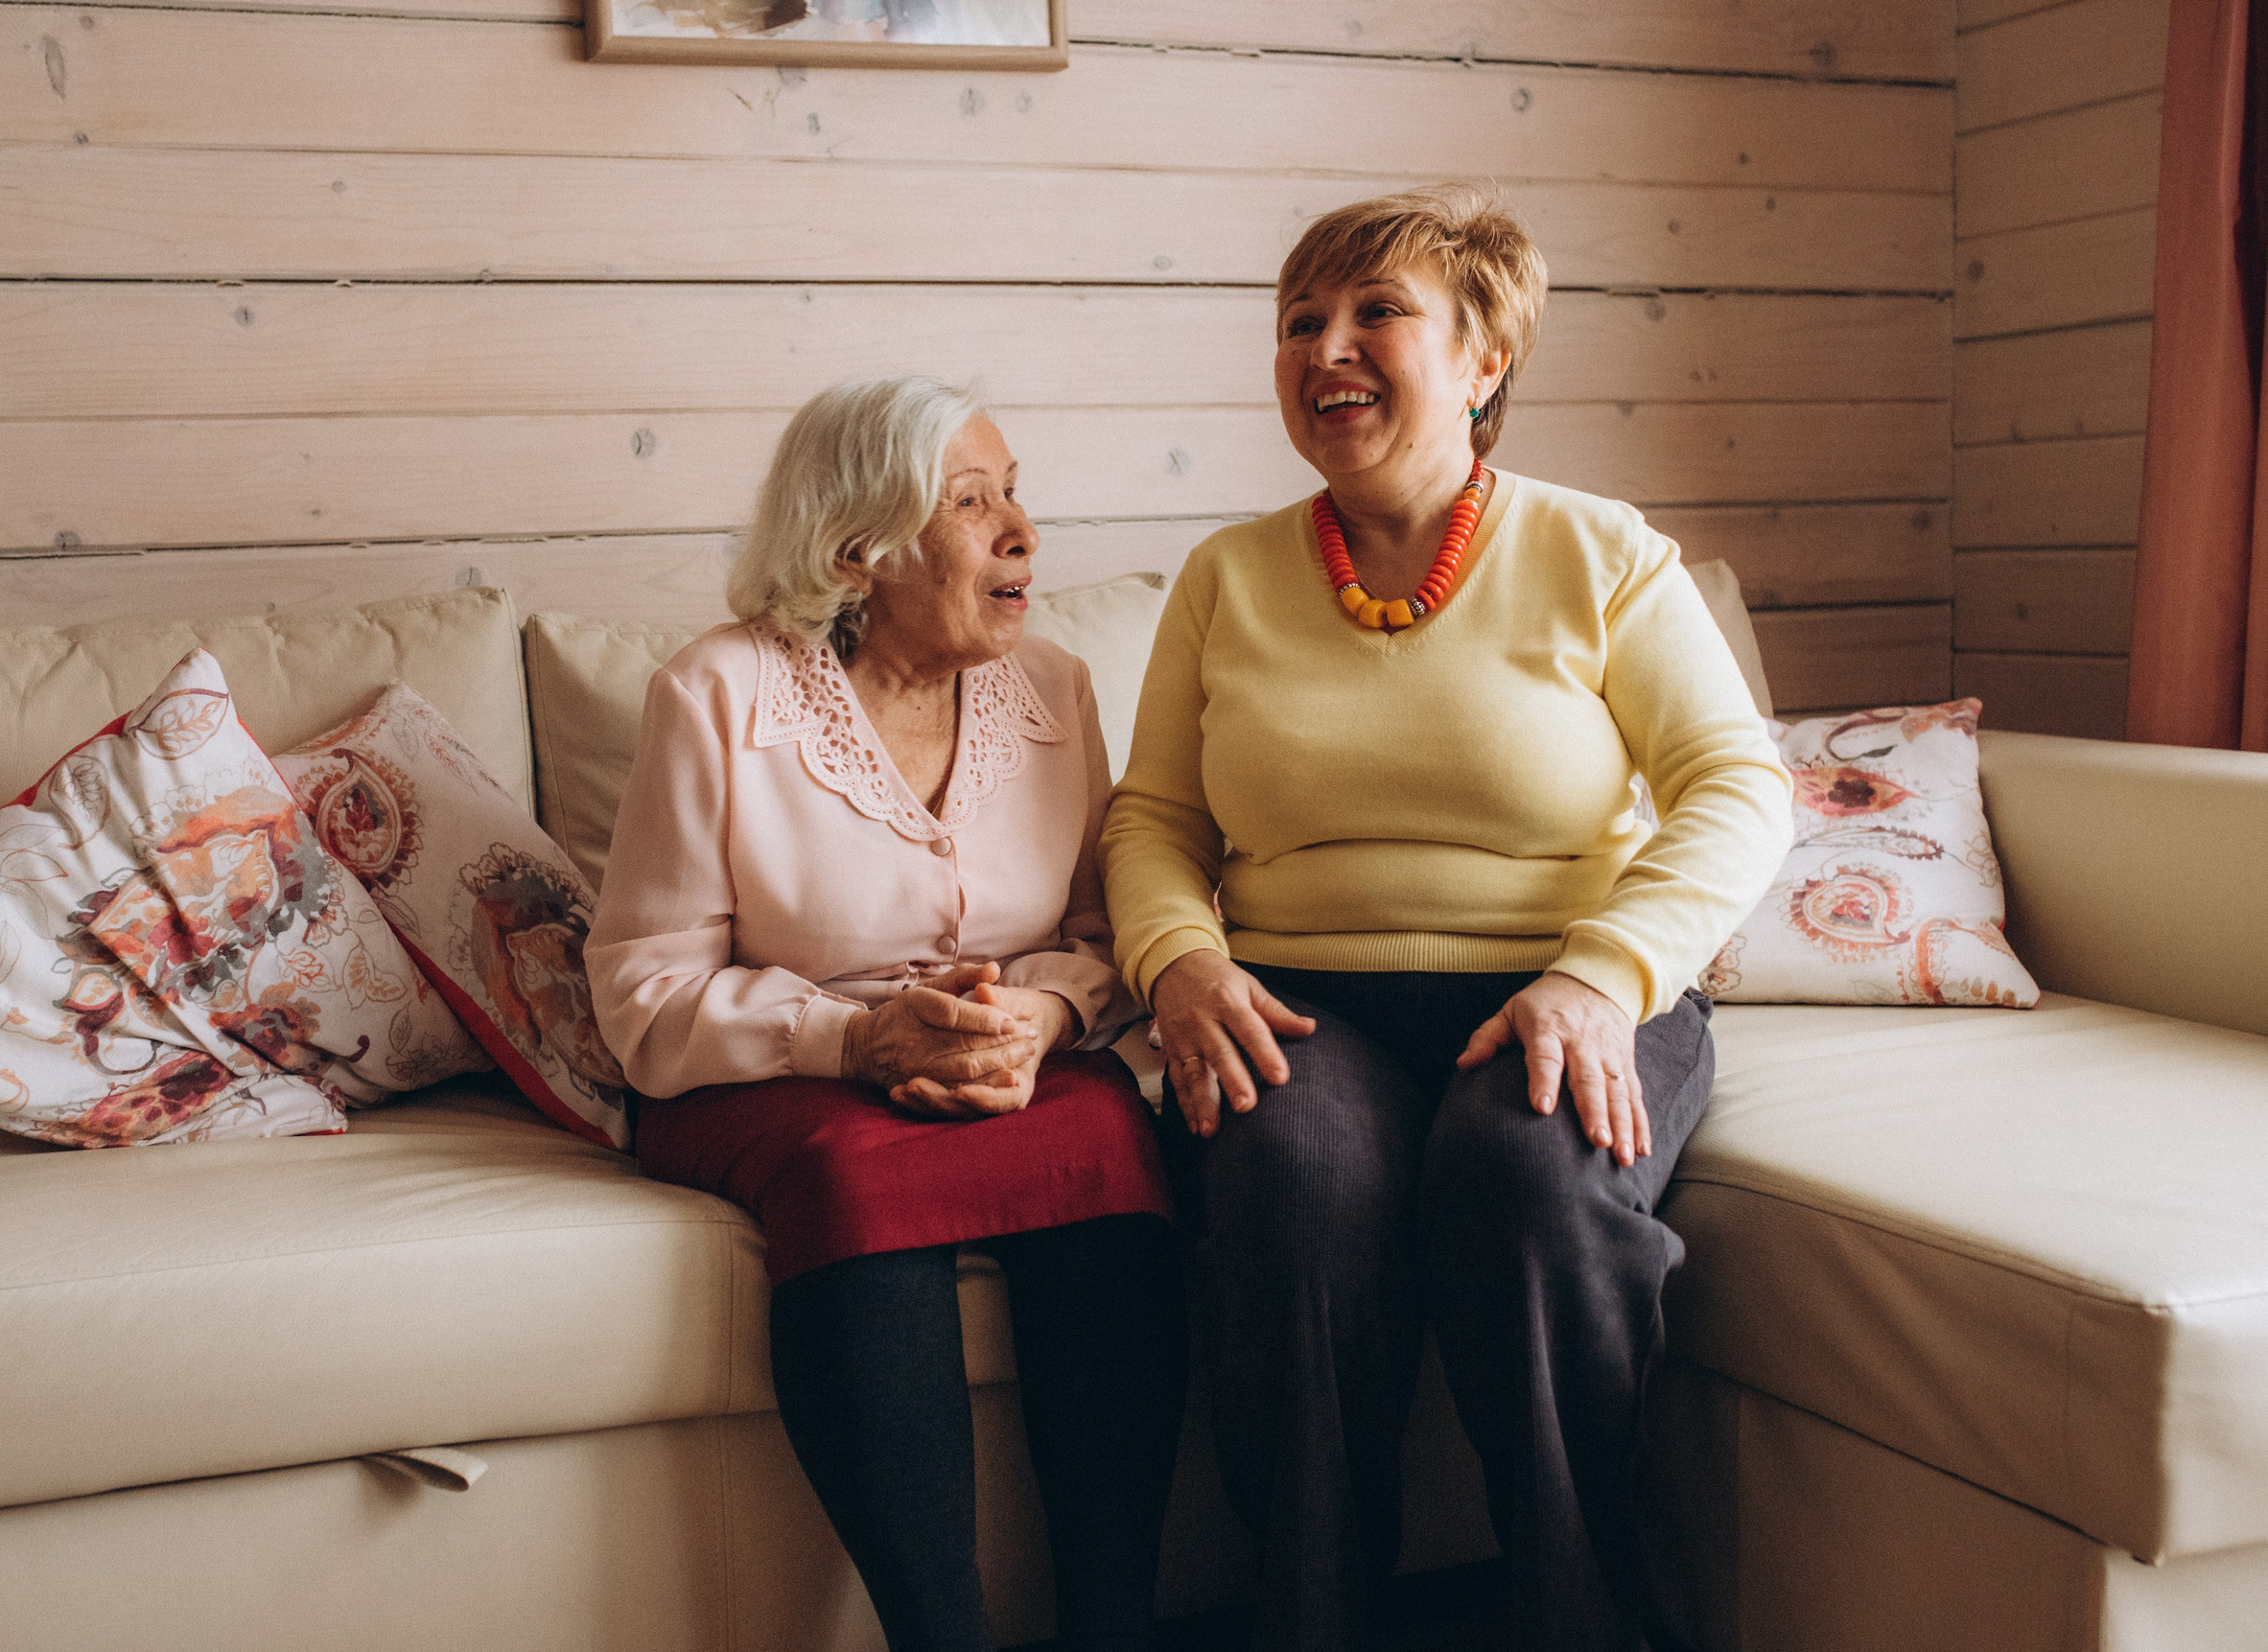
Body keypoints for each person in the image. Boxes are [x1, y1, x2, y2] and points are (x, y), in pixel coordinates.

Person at [1100, 186, 1793, 1652]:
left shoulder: (1604, 553)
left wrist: (1604, 980)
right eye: (1301, 322)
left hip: (1569, 989)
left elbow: (1739, 786)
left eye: (1374, 314)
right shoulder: (1228, 576)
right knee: (1290, 1184)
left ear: (1484, 358)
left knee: (1528, 1184)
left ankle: (1582, 1617)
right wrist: (1181, 961)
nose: (1324, 348)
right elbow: (1156, 819)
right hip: (1302, 1001)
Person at [589, 376, 1187, 1652]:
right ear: (859, 548)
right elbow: (644, 991)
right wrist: (854, 1038)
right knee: (861, 1173)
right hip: (777, 1059)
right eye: (972, 504)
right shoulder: (718, 693)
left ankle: (1115, 1628)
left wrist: (1043, 1019)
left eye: (1016, 493)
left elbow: (1098, 940)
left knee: (1111, 1146)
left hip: (1016, 1051)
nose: (1020, 531)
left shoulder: (1061, 693)